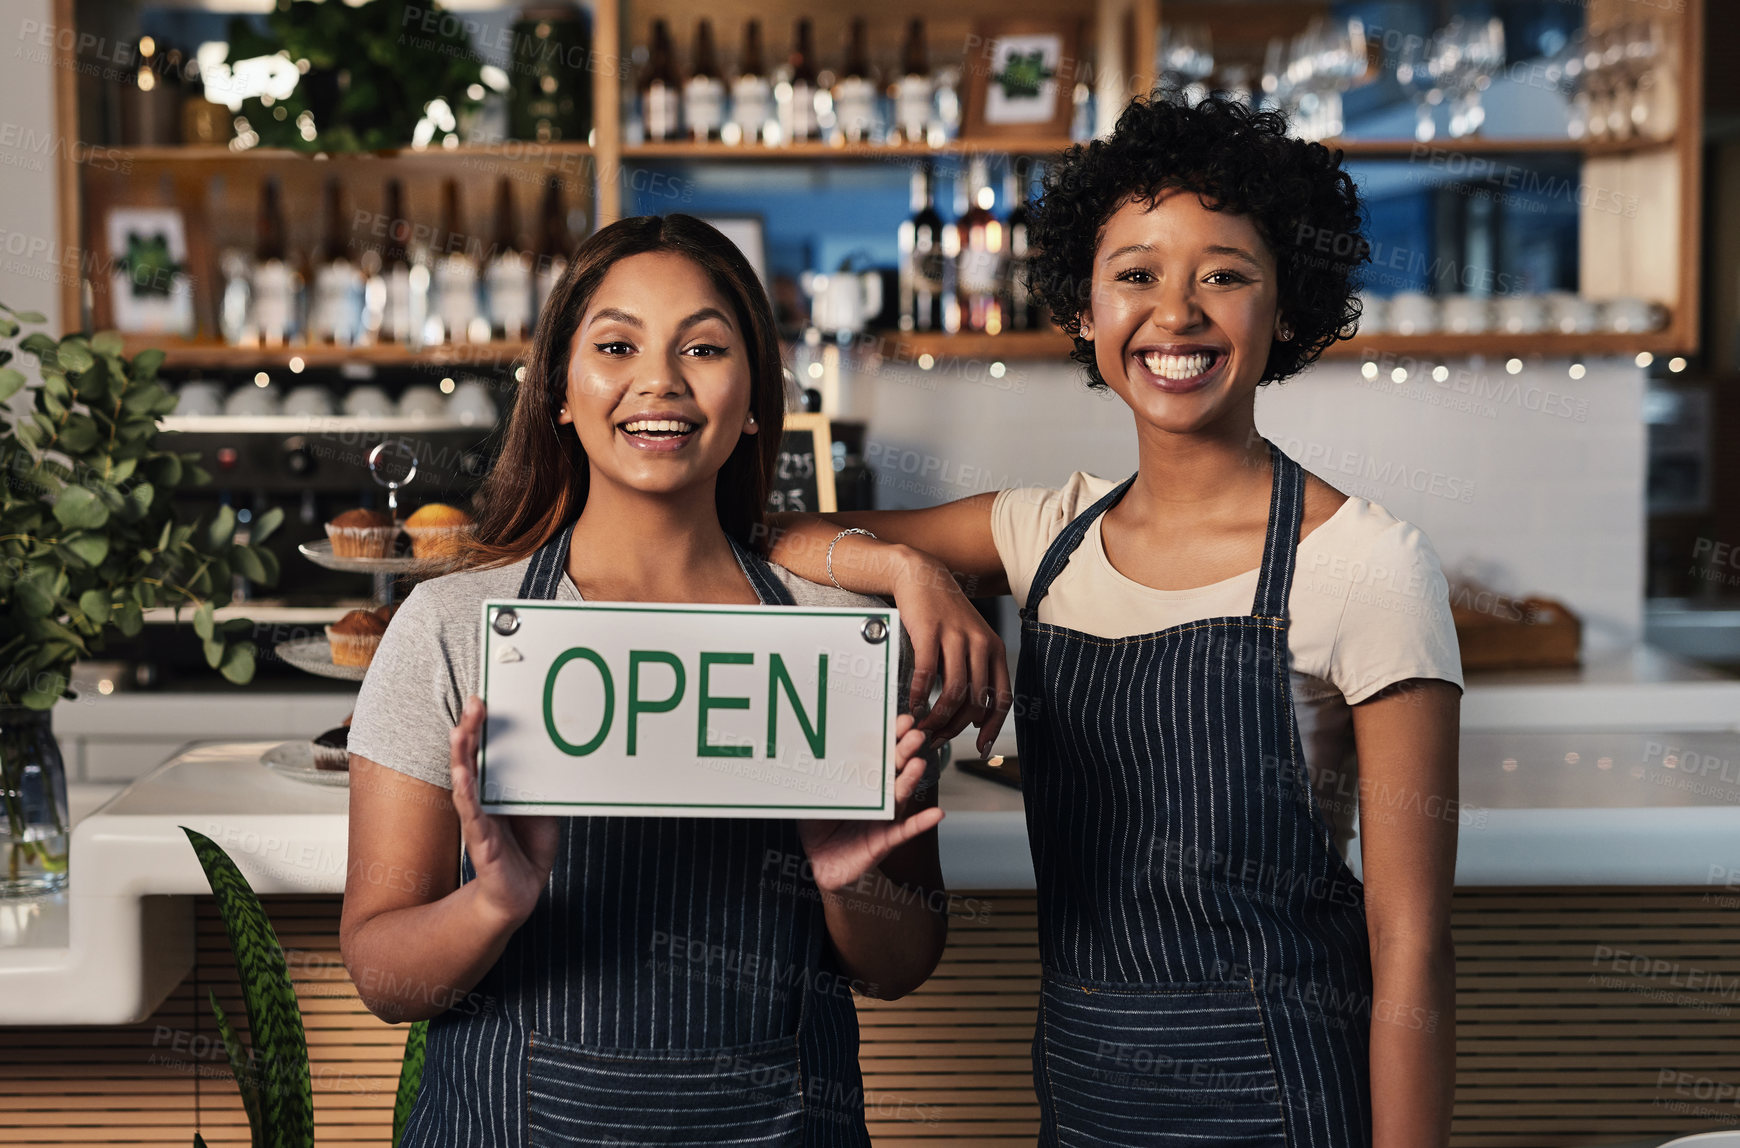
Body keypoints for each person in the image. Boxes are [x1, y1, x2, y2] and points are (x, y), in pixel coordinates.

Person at [768, 95, 1463, 1147]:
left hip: (1283, 1094)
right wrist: (907, 566)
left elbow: (1410, 941)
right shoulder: (1041, 534)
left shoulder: (1366, 562)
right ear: (1086, 310)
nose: (1175, 312)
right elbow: (770, 533)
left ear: (1287, 309)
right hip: (1085, 1092)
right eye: (1136, 273)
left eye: (1224, 274)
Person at [339, 214, 947, 1148]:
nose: (659, 380)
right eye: (617, 344)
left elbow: (901, 966)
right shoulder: (449, 631)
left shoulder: (845, 641)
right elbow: (385, 978)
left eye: (703, 347)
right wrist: (493, 900)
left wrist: (848, 880)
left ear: (754, 399)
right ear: (560, 394)